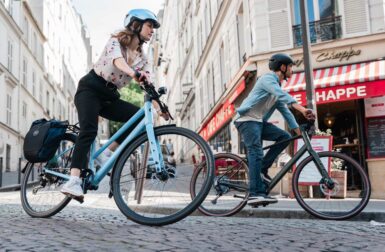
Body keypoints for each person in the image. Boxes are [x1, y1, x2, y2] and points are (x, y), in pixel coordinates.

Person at [61, 9, 168, 200]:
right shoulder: (115, 41)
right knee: (89, 130)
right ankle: (73, 180)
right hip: (90, 90)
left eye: (153, 27)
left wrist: (160, 107)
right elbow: (118, 62)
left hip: (109, 96)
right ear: (136, 24)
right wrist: (134, 74)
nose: (152, 30)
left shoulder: (143, 59)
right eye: (149, 25)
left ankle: (107, 155)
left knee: (140, 116)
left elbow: (148, 83)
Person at [234, 53, 315, 205]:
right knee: (256, 151)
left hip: (258, 122)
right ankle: (254, 193)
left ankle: (262, 169)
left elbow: (286, 112)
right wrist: (302, 109)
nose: (292, 70)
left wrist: (299, 133)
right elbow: (283, 96)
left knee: (284, 137)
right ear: (282, 67)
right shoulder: (267, 79)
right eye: (290, 66)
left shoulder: (276, 87)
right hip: (246, 120)